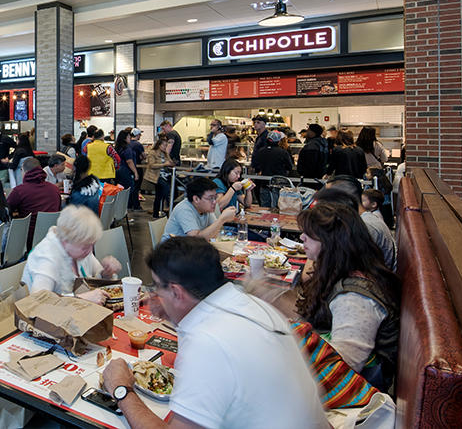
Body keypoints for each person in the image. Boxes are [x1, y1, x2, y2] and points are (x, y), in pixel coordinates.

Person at [101, 237, 328, 428]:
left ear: (177, 292)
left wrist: (122, 389)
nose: (156, 294)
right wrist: (175, 312)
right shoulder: (255, 305)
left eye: (159, 286)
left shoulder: (207, 344)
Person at [297, 200, 400, 389]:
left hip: (353, 393)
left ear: (331, 242)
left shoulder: (355, 299)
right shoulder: (344, 272)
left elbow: (340, 370)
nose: (302, 237)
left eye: (310, 234)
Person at [21, 205, 121, 303]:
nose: (90, 250)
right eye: (85, 247)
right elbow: (38, 303)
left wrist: (106, 273)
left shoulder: (80, 246)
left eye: (92, 245)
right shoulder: (47, 258)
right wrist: (81, 298)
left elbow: (96, 278)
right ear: (66, 241)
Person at [7, 156, 62, 249]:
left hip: (27, 240)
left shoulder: (20, 191)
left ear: (24, 171)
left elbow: (6, 210)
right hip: (52, 239)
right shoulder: (55, 190)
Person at [163, 176, 236, 241]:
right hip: (173, 251)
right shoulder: (184, 209)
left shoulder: (206, 209)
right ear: (196, 199)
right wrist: (222, 219)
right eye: (210, 198)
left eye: (215, 197)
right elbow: (195, 239)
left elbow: (216, 232)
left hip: (190, 249)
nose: (214, 202)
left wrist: (222, 220)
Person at [250, 130, 294, 208]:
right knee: (278, 206)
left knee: (265, 206)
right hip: (279, 183)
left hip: (264, 182)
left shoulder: (261, 151)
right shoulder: (283, 152)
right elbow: (290, 166)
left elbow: (255, 166)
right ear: (278, 140)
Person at [141, 136, 174, 217]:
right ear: (159, 145)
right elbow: (151, 165)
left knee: (159, 195)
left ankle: (156, 213)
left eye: (166, 145)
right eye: (164, 145)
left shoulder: (165, 153)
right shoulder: (152, 153)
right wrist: (164, 164)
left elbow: (170, 162)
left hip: (164, 176)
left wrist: (171, 163)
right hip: (155, 176)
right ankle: (169, 209)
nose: (165, 147)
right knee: (166, 190)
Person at [113, 129, 137, 197]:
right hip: (125, 171)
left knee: (119, 189)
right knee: (128, 189)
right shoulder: (127, 149)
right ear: (124, 139)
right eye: (129, 137)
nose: (130, 139)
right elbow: (129, 161)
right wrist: (135, 172)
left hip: (117, 171)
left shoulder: (117, 148)